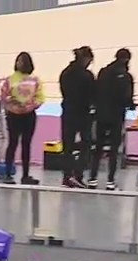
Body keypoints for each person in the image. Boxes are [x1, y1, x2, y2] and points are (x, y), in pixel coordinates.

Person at [89, 48, 135, 190]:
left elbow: (95, 91)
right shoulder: (126, 76)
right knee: (114, 150)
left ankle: (92, 179)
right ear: (127, 59)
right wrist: (131, 105)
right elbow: (127, 98)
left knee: (98, 148)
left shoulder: (103, 73)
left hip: (101, 115)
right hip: (116, 116)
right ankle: (110, 182)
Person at [0, 51, 44, 184]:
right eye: (18, 60)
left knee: (26, 144)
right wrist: (12, 103)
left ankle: (25, 175)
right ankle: (7, 174)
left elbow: (40, 97)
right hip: (13, 115)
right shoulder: (9, 79)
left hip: (29, 116)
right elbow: (3, 96)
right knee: (12, 143)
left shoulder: (35, 80)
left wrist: (28, 106)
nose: (19, 63)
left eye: (22, 61)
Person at [58, 46, 96, 188]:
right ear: (86, 59)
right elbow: (93, 95)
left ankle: (66, 176)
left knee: (67, 146)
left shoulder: (65, 73)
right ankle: (78, 175)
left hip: (68, 111)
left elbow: (64, 92)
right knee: (85, 144)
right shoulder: (87, 76)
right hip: (83, 113)